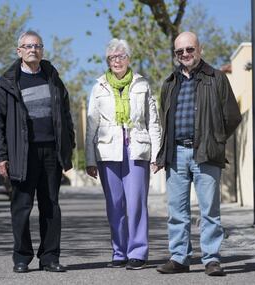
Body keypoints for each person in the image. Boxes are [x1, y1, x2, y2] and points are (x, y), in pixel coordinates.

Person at [0, 30, 75, 273]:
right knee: (21, 208)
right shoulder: (6, 83)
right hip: (21, 154)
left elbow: (66, 116)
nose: (32, 50)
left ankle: (50, 257)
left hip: (51, 153)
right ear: (19, 51)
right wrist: (1, 155)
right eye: (27, 46)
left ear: (42, 50)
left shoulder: (53, 79)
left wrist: (69, 146)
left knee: (51, 207)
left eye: (36, 46)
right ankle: (22, 257)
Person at [155, 31, 242, 276]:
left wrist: (215, 138)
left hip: (205, 152)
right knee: (177, 211)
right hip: (176, 154)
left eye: (189, 49)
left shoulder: (216, 77)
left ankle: (211, 259)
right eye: (179, 51)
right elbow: (165, 117)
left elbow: (232, 116)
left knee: (210, 211)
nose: (185, 54)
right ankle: (179, 258)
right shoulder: (170, 82)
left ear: (199, 49)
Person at [85, 38, 161, 270]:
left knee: (136, 203)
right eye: (112, 58)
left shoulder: (142, 84)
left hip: (136, 148)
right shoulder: (98, 87)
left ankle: (137, 252)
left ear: (129, 59)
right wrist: (89, 159)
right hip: (107, 151)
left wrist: (157, 154)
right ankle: (119, 251)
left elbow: (153, 122)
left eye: (121, 56)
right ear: (107, 61)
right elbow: (91, 126)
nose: (116, 61)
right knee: (115, 204)